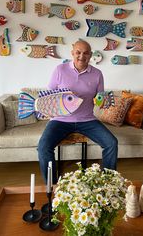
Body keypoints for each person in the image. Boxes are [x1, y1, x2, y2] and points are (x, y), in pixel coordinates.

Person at [38, 40, 118, 184]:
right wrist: (46, 111)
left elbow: (99, 99)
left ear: (91, 55)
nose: (82, 56)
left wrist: (103, 102)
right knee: (43, 147)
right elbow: (49, 95)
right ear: (72, 53)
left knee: (111, 143)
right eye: (78, 52)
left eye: (86, 53)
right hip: (60, 120)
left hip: (87, 120)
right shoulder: (59, 70)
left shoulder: (97, 74)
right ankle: (52, 186)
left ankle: (108, 183)